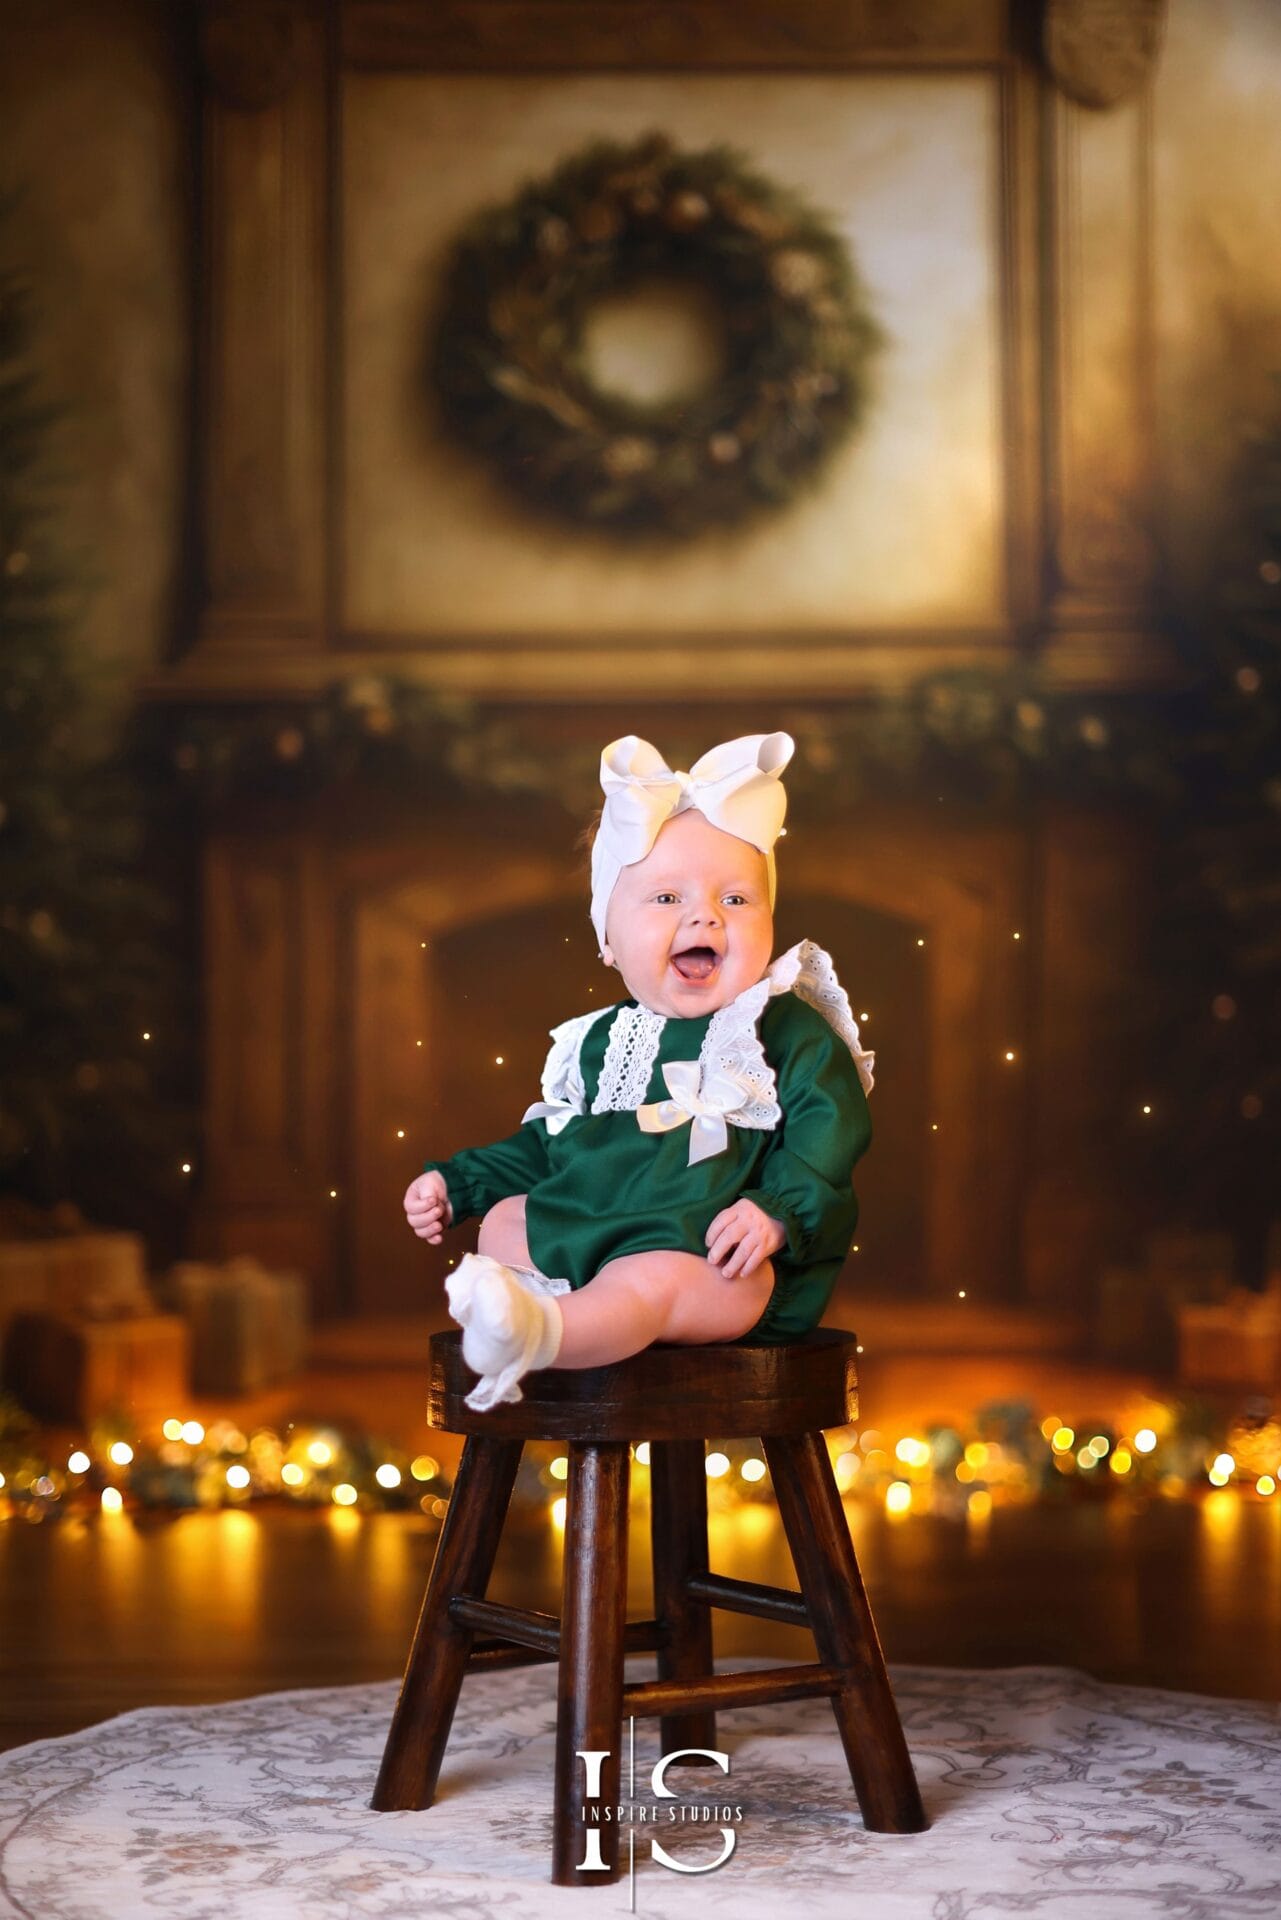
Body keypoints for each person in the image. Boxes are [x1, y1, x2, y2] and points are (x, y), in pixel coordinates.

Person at [402, 731, 875, 1411]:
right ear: (608, 942)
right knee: (508, 1219)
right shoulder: (600, 1043)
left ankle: (543, 1331)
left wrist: (776, 1213)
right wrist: (460, 1182)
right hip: (604, 1236)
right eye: (664, 900)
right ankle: (552, 1312)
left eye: (736, 900)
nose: (704, 915)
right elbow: (550, 1149)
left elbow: (828, 1132)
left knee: (650, 1282)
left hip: (717, 1266)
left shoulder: (782, 1030)